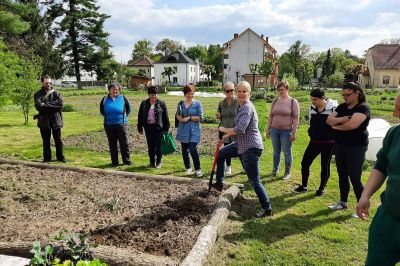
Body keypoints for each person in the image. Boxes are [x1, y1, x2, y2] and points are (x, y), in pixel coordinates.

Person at [211, 81, 273, 218]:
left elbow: (239, 129)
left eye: (244, 91)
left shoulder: (247, 108)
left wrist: (222, 129)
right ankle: (219, 183)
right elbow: (237, 129)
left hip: (251, 148)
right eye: (239, 91)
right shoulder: (240, 106)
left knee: (254, 180)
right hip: (241, 144)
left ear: (249, 93)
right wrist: (225, 136)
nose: (241, 94)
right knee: (221, 154)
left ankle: (267, 208)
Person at [356, 94, 400, 265]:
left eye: (399, 109)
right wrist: (365, 195)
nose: (395, 114)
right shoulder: (395, 133)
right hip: (388, 218)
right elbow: (381, 166)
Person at [326, 82, 370, 213]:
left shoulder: (363, 108)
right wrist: (343, 119)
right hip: (340, 145)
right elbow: (328, 120)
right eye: (343, 95)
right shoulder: (342, 107)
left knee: (355, 177)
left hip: (356, 147)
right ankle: (343, 203)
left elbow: (352, 125)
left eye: (347, 95)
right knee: (342, 175)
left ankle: (361, 208)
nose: (344, 97)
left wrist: (336, 126)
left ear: (357, 93)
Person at [292, 89, 337, 197]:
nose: (312, 102)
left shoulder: (333, 108)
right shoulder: (312, 108)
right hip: (314, 142)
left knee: (324, 165)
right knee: (305, 163)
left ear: (322, 98)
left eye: (315, 99)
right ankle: (304, 186)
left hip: (329, 142)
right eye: (311, 99)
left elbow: (336, 124)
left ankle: (321, 189)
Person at [266, 80, 300, 180]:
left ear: (287, 89)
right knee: (276, 152)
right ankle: (275, 170)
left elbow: (296, 118)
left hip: (286, 131)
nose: (280, 91)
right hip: (274, 130)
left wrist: (293, 133)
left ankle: (287, 172)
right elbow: (271, 116)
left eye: (282, 89)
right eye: (279, 90)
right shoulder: (275, 101)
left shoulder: (293, 102)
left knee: (286, 151)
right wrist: (268, 129)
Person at [34, 75, 66, 163]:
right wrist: (52, 105)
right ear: (42, 82)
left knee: (58, 140)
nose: (48, 84)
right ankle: (47, 158)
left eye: (50, 83)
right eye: (46, 83)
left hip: (55, 120)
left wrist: (45, 105)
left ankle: (60, 157)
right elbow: (38, 106)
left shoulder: (57, 93)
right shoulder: (37, 94)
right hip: (44, 121)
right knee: (46, 141)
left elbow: (60, 105)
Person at [100, 82, 132, 166]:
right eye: (113, 89)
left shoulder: (123, 98)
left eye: (117, 89)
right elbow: (102, 111)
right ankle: (114, 162)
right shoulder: (104, 99)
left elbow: (128, 110)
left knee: (124, 143)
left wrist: (122, 118)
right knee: (112, 144)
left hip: (121, 124)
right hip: (109, 125)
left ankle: (126, 161)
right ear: (109, 90)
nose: (115, 91)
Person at [137, 86, 170, 168]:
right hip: (148, 128)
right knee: (150, 146)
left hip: (158, 128)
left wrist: (166, 128)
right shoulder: (144, 103)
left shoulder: (161, 103)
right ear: (148, 94)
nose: (153, 96)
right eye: (151, 94)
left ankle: (158, 162)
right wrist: (140, 128)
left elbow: (165, 116)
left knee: (158, 146)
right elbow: (140, 116)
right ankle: (152, 162)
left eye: (155, 94)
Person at [175, 84, 204, 177]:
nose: (190, 96)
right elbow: (177, 115)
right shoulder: (180, 103)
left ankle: (198, 169)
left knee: (192, 148)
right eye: (188, 94)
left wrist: (189, 118)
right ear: (184, 94)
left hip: (194, 130)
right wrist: (180, 118)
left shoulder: (198, 103)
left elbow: (201, 117)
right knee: (184, 150)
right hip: (183, 129)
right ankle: (188, 167)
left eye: (192, 93)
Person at [216, 82, 239, 176]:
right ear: (224, 92)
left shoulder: (238, 102)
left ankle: (246, 167)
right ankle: (228, 167)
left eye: (232, 90)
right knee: (226, 148)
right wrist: (218, 115)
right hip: (224, 129)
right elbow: (219, 114)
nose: (230, 92)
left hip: (235, 129)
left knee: (240, 148)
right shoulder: (221, 103)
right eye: (228, 91)